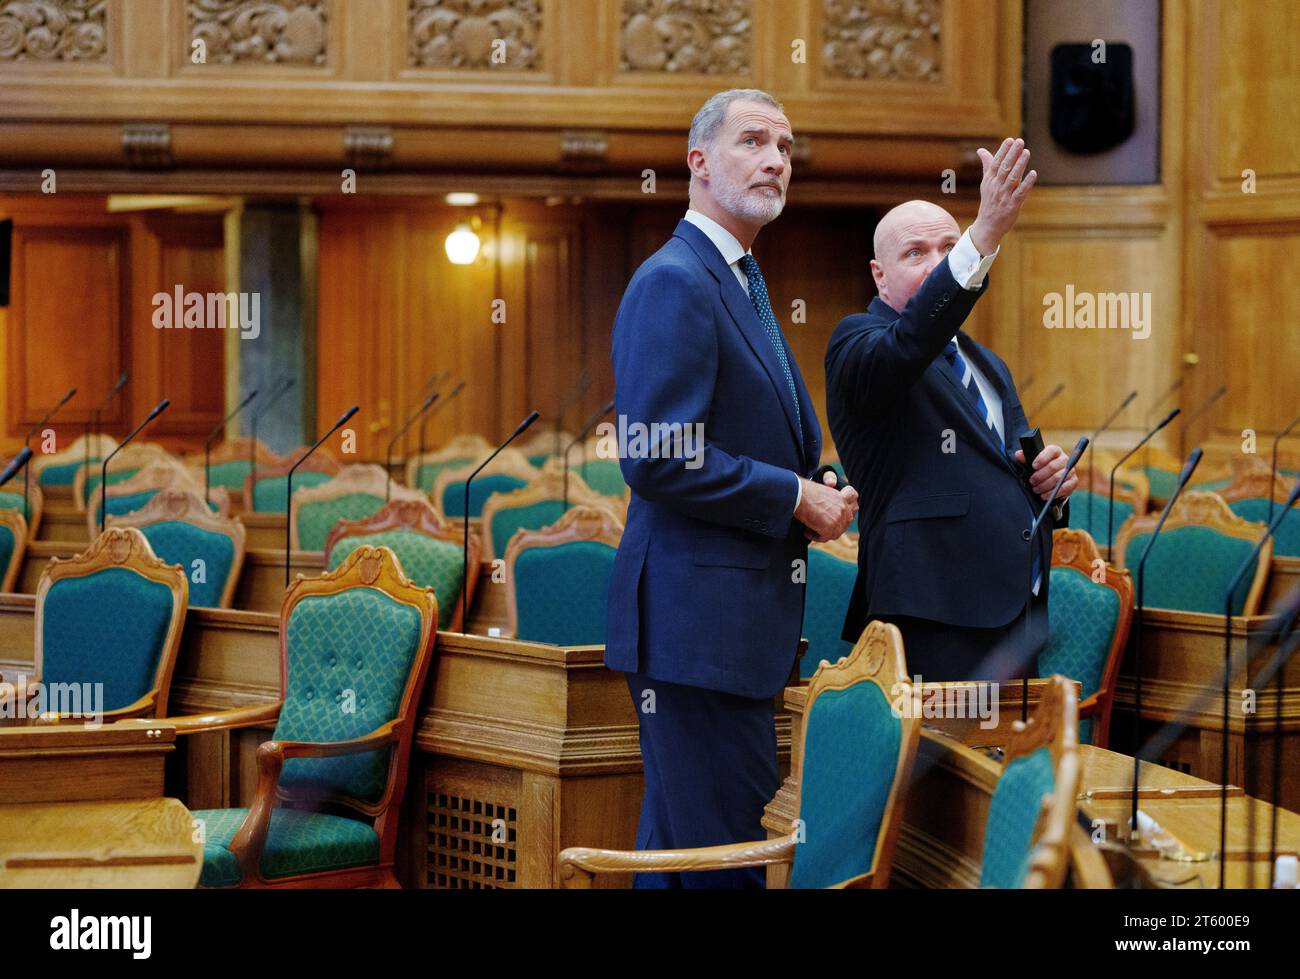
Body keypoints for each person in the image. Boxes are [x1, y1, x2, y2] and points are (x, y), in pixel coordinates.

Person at [605, 88, 858, 888]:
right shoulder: (677, 279)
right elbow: (655, 455)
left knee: (679, 859)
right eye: (754, 141)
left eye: (786, 147)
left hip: (726, 631)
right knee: (729, 863)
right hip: (697, 632)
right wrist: (791, 497)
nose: (777, 160)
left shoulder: (737, 277)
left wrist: (813, 480)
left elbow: (736, 435)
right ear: (699, 162)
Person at [824, 138, 1077, 682]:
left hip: (1017, 613)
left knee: (1010, 767)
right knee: (940, 769)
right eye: (916, 253)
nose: (937, 263)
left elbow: (1010, 477)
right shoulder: (858, 342)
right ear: (879, 275)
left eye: (947, 247)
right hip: (932, 613)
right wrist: (981, 234)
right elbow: (911, 341)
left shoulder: (986, 362)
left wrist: (1049, 485)